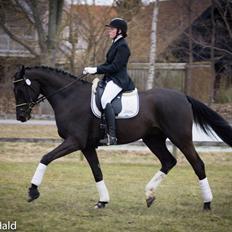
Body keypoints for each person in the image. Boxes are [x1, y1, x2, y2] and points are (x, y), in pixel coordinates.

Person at [83, 18, 135, 145]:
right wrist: (93, 70)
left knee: (105, 99)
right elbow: (107, 64)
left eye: (112, 29)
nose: (109, 31)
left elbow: (115, 67)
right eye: (109, 29)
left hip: (119, 80)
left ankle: (112, 135)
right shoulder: (115, 44)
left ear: (119, 31)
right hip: (110, 79)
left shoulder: (123, 46)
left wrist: (95, 69)